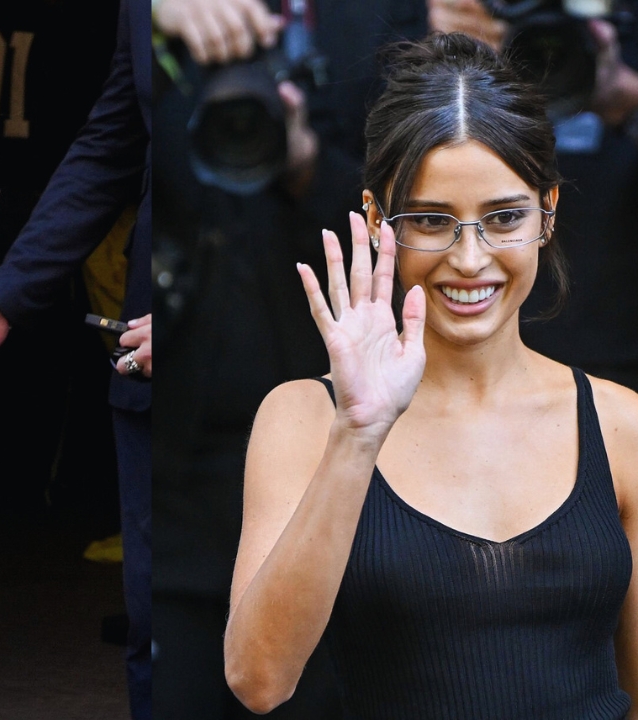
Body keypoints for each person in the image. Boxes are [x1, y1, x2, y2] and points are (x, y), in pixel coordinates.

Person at [224, 34, 638, 718]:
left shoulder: (620, 423)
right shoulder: (303, 418)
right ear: (375, 219)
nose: (471, 259)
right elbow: (259, 679)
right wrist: (358, 435)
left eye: (503, 217)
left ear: (549, 211)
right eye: (431, 221)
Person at [150, 0, 425, 717]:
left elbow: (423, 212)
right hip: (181, 442)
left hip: (333, 437)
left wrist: (306, 161)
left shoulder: (385, 18)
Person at [0, 1, 151, 716]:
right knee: (157, 625)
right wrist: (8, 298)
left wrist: (207, 313)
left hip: (274, 355)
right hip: (150, 371)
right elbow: (110, 146)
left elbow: (349, 155)